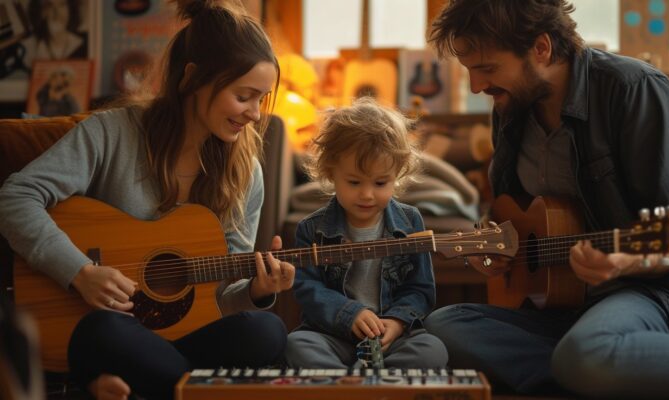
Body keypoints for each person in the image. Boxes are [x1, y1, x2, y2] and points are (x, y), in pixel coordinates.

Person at [423, 1, 669, 398]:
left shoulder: (634, 90)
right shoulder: (510, 107)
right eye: (469, 71)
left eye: (487, 69)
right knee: (440, 328)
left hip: (652, 294)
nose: (476, 87)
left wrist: (625, 261)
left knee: (586, 353)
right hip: (562, 308)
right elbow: (510, 212)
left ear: (541, 49)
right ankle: (599, 371)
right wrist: (498, 247)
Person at [0, 1, 295, 399]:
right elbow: (16, 196)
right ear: (193, 78)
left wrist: (257, 292)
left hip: (179, 343)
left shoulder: (247, 172)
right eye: (244, 96)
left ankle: (142, 387)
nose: (255, 114)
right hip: (111, 330)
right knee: (102, 329)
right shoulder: (111, 133)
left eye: (261, 99)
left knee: (267, 330)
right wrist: (80, 273)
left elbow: (222, 298)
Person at [285, 97, 448, 369]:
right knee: (296, 345)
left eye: (381, 182)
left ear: (397, 174)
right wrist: (349, 314)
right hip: (332, 334)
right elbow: (307, 288)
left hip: (391, 338)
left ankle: (351, 384)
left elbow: (420, 288)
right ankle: (358, 386)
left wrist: (396, 323)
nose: (367, 194)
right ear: (330, 172)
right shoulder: (311, 229)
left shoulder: (410, 221)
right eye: (354, 182)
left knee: (432, 350)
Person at [23, 0, 88, 67]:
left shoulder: (86, 42)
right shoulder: (30, 50)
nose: (57, 13)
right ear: (41, 12)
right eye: (50, 5)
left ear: (70, 9)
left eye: (62, 5)